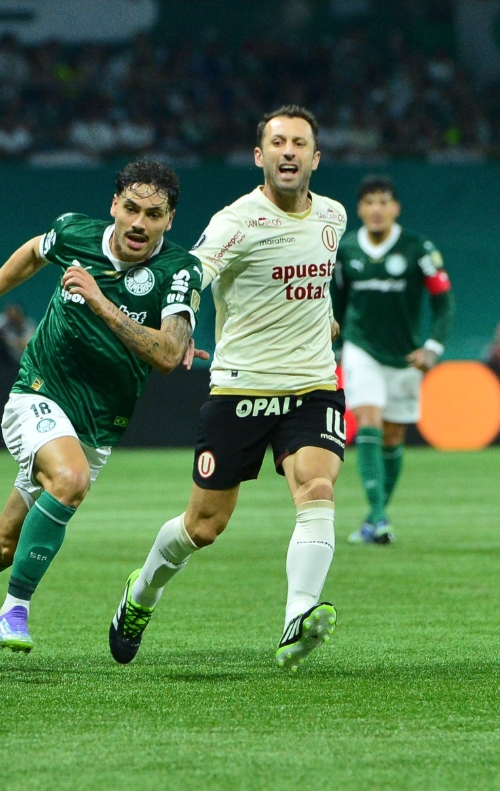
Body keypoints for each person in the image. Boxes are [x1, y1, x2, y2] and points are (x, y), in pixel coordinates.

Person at [109, 105, 348, 673]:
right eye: (277, 142)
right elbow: (191, 275)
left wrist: (325, 317)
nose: (288, 151)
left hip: (313, 384)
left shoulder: (334, 216)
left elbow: (313, 278)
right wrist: (177, 326)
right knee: (203, 527)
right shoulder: (235, 222)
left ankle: (298, 617)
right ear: (259, 156)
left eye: (299, 143)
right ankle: (140, 595)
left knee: (316, 488)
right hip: (240, 388)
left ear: (315, 158)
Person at [0, 158, 205, 654]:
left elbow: (167, 354)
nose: (140, 223)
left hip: (98, 423)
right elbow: (34, 253)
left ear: (170, 220)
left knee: (3, 546)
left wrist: (100, 301)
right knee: (71, 479)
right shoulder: (76, 233)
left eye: (154, 214)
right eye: (131, 208)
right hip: (38, 392)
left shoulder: (179, 270)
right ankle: (15, 610)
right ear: (114, 206)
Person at [333, 175, 455, 545]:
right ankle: (382, 517)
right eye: (369, 202)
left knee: (393, 435)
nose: (376, 209)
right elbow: (337, 301)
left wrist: (432, 346)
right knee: (367, 420)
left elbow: (443, 301)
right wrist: (335, 346)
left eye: (384, 201)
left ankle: (373, 518)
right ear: (359, 209)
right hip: (361, 347)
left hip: (405, 355)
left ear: (396, 208)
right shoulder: (346, 250)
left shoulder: (419, 250)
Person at [0, 302, 35, 368]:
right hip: (4, 359)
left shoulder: (28, 326)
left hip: (22, 360)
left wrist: (9, 341)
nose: (13, 318)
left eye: (15, 315)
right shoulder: (3, 321)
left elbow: (28, 347)